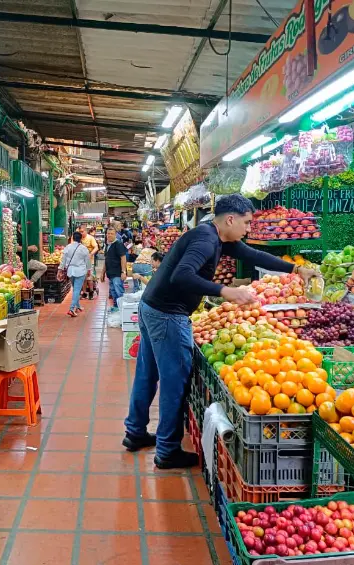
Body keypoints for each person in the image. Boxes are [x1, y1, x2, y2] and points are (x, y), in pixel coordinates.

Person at [123, 194, 317, 469]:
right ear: (230, 219)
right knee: (173, 383)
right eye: (246, 223)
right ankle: (167, 450)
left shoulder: (217, 237)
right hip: (167, 315)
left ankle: (135, 432)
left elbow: (253, 254)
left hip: (151, 307)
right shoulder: (206, 240)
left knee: (147, 374)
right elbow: (182, 275)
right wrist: (225, 290)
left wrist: (296, 268)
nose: (248, 229)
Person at [58, 231, 91, 317]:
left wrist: (60, 270)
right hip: (80, 271)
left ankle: (78, 306)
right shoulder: (83, 248)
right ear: (81, 239)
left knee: (75, 289)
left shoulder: (67, 247)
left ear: (72, 238)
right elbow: (87, 261)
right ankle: (72, 309)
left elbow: (63, 260)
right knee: (77, 290)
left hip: (70, 272)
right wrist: (89, 270)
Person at [101, 227, 127, 311]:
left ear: (115, 235)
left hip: (117, 273)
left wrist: (123, 272)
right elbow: (106, 260)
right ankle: (116, 307)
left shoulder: (118, 244)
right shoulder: (108, 245)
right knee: (113, 291)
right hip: (110, 273)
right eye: (108, 234)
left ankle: (122, 309)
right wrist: (102, 272)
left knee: (119, 291)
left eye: (112, 234)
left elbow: (123, 258)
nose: (109, 235)